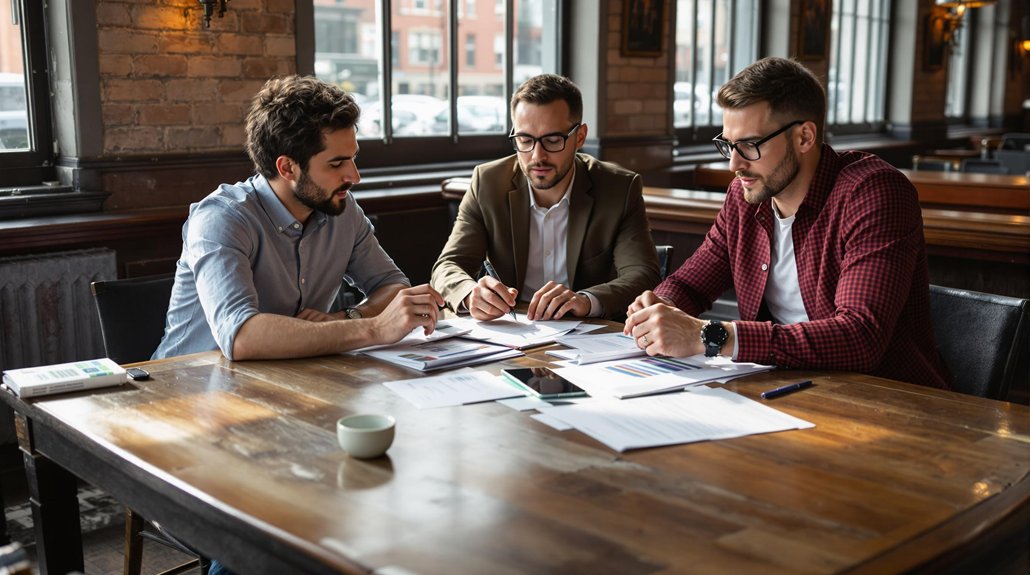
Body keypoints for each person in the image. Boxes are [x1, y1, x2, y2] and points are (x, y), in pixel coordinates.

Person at [624, 57, 950, 390]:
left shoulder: (873, 193)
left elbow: (860, 337)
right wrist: (659, 308)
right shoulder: (745, 196)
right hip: (785, 389)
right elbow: (691, 284)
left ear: (805, 137)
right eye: (728, 145)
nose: (734, 164)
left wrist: (708, 335)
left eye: (749, 146)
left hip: (886, 398)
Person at [154, 75, 444, 363]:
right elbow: (242, 336)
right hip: (184, 390)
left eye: (353, 158)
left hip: (286, 380)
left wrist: (346, 317)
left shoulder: (341, 209)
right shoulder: (221, 218)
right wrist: (373, 327)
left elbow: (393, 287)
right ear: (287, 168)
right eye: (336, 163)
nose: (354, 176)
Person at [431, 74, 661, 321]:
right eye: (525, 139)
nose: (537, 156)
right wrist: (469, 293)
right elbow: (447, 267)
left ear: (580, 137)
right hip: (512, 334)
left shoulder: (618, 188)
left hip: (588, 337)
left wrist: (585, 300)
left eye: (553, 140)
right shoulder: (487, 183)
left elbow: (642, 274)